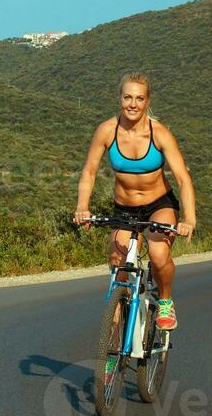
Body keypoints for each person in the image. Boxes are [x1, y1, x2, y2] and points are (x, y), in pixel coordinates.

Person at [74, 72, 196, 330]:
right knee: (118, 267)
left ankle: (164, 300)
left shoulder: (159, 133)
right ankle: (111, 345)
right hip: (125, 209)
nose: (133, 104)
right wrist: (82, 207)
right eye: (127, 97)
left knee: (158, 254)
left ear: (147, 101)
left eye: (139, 98)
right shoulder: (107, 130)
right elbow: (89, 172)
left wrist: (189, 218)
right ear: (119, 98)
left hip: (159, 205)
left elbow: (183, 179)